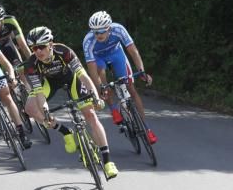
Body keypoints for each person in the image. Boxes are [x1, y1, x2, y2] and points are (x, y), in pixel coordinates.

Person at [22, 26, 119, 179]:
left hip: (71, 79)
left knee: (91, 115)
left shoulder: (64, 51)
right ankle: (65, 132)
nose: (38, 51)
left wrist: (95, 96)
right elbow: (39, 92)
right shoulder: (31, 64)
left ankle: (107, 162)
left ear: (51, 44)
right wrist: (46, 111)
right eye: (34, 48)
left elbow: (83, 76)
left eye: (41, 47)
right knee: (30, 108)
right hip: (48, 83)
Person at [82, 10, 157, 144]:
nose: (98, 35)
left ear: (109, 28)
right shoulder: (88, 41)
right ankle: (113, 109)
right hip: (98, 58)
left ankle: (146, 128)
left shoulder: (118, 29)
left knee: (131, 88)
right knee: (103, 80)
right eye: (95, 32)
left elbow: (133, 51)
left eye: (102, 31)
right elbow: (92, 69)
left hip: (116, 53)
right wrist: (99, 87)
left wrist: (142, 72)